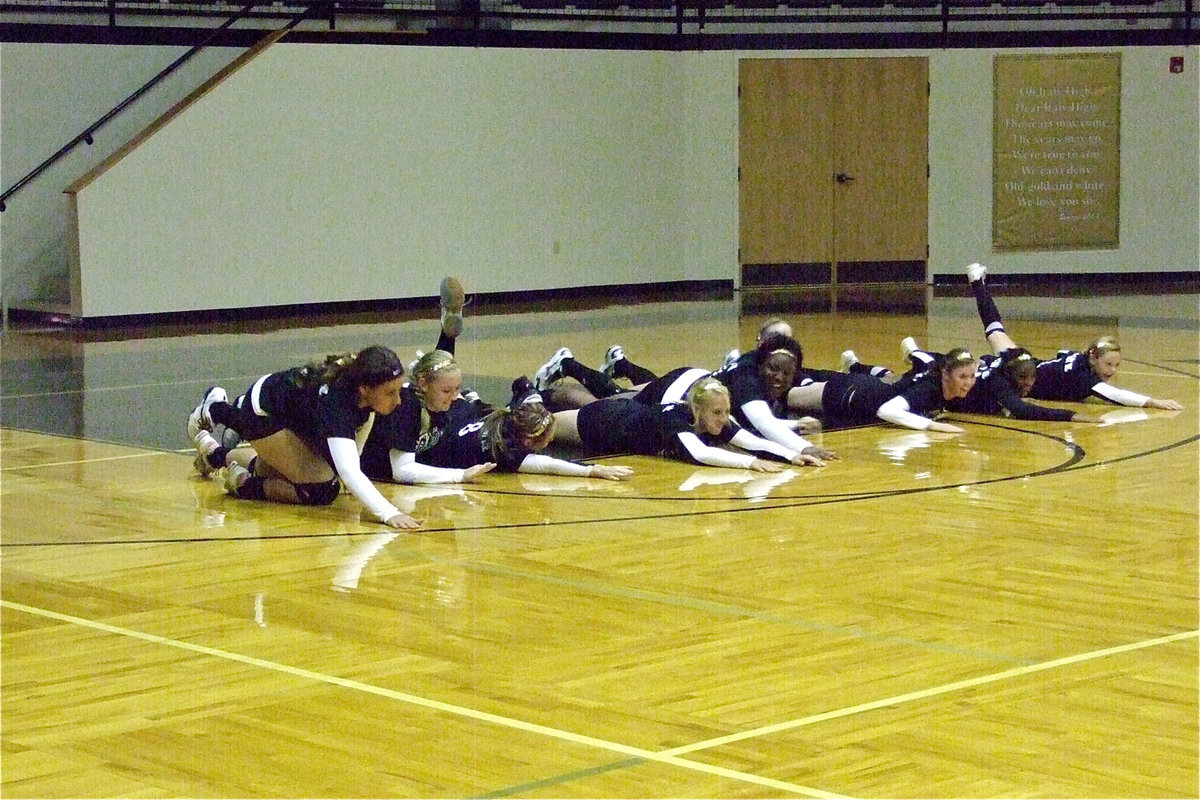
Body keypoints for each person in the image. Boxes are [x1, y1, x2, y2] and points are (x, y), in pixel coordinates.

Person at [187, 345, 421, 529]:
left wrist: (350, 472)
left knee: (287, 471)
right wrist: (389, 513)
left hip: (299, 416)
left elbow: (364, 422)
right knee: (319, 490)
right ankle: (218, 414)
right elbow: (349, 472)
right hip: (264, 412)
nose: (398, 400)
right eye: (390, 393)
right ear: (364, 389)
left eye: (398, 390)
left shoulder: (361, 393)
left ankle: (215, 455)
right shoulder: (337, 403)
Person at [965, 262, 1182, 410]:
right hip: (1018, 371)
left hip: (1029, 363)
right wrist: (1155, 402)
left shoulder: (1079, 359)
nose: (1112, 371)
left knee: (994, 329)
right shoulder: (1083, 378)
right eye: (1108, 364)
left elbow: (1062, 354)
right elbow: (1116, 396)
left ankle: (977, 284)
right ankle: (977, 284)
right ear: (1093, 356)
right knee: (989, 343)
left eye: (1116, 365)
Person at [362, 378, 633, 483]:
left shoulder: (499, 417)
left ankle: (528, 391)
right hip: (420, 448)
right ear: (528, 440)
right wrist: (592, 470)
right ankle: (528, 391)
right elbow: (545, 465)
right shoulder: (502, 450)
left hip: (447, 421)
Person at [551, 376, 823, 471]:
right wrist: (749, 463)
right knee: (546, 428)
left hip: (629, 413)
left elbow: (749, 440)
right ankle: (534, 397)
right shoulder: (675, 418)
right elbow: (700, 454)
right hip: (604, 423)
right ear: (698, 409)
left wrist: (793, 455)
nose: (723, 418)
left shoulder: (714, 418)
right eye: (717, 412)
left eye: (725, 411)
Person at [852, 338, 1103, 423]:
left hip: (949, 393)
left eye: (1031, 380)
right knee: (893, 383)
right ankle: (858, 367)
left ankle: (857, 365)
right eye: (1023, 381)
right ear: (1012, 376)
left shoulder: (1007, 376)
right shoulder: (999, 383)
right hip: (936, 387)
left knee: (891, 378)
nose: (1029, 385)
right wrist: (1070, 416)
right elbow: (1022, 410)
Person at [787, 346, 979, 432]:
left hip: (863, 391)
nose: (968, 383)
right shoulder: (927, 389)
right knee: (786, 396)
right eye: (962, 377)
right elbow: (886, 410)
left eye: (971, 376)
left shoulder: (948, 389)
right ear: (946, 374)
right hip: (849, 394)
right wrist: (932, 426)